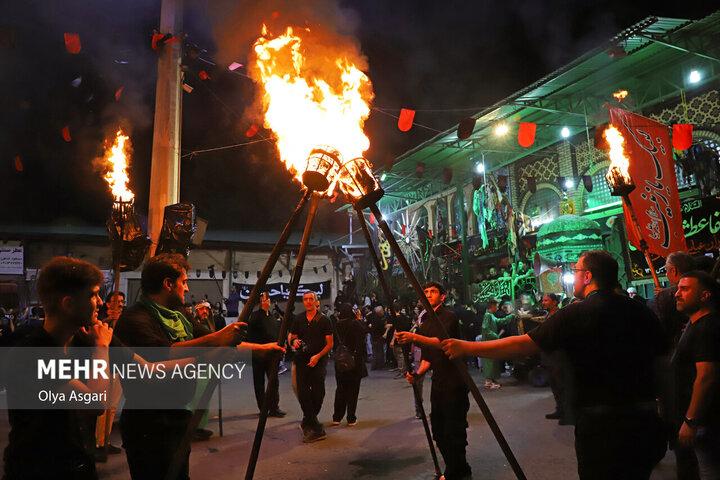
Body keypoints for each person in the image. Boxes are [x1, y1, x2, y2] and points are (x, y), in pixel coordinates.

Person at [442, 250, 668, 480]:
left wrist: (467, 347)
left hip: (602, 428)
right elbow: (663, 365)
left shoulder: (575, 313)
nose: (573, 276)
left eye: (576, 271)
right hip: (644, 423)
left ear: (588, 276)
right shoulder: (642, 312)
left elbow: (521, 345)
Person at [114, 254, 282, 479]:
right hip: (149, 423)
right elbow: (163, 356)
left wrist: (261, 350)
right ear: (168, 283)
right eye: (183, 282)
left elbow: (219, 342)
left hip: (178, 416)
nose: (186, 288)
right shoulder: (135, 319)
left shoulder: (180, 315)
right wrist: (216, 342)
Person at [3, 257, 114, 480]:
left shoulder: (80, 341)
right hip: (41, 471)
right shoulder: (35, 352)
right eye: (93, 294)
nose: (101, 302)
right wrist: (102, 348)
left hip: (76, 464)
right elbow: (94, 405)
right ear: (68, 304)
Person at [397, 282, 471, 480]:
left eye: (433, 292)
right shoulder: (426, 321)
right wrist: (418, 373)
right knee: (438, 431)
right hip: (439, 381)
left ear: (442, 296)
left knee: (454, 431)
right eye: (426, 292)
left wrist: (413, 337)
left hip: (456, 381)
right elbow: (428, 356)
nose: (428, 294)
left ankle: (459, 472)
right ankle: (455, 469)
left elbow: (441, 343)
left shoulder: (448, 317)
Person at [672, 271, 720, 479]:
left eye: (685, 289)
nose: (677, 294)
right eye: (678, 288)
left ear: (704, 296)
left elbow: (706, 376)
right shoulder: (696, 324)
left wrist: (691, 421)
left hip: (707, 423)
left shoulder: (707, 327)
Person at [288, 291, 333, 443]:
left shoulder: (324, 320)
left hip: (319, 361)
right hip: (302, 359)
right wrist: (294, 343)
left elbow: (330, 344)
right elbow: (292, 337)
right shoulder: (298, 319)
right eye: (305, 299)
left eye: (310, 299)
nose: (308, 301)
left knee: (318, 393)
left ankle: (308, 421)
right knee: (303, 392)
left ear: (315, 301)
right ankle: (315, 425)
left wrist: (318, 356)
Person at [247, 292, 285, 417]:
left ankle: (274, 407)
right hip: (258, 354)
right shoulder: (255, 316)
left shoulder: (272, 317)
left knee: (273, 382)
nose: (268, 301)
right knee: (259, 382)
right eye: (265, 299)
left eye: (268, 298)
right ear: (260, 302)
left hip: (271, 355)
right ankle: (263, 408)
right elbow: (250, 335)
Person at [332, 303, 367, 426]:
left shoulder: (336, 325)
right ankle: (351, 418)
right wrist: (358, 319)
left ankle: (337, 417)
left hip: (340, 361)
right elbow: (363, 335)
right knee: (353, 390)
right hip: (354, 361)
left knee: (340, 389)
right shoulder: (355, 324)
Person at [652, 251, 694, 346]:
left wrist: (664, 294)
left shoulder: (665, 295)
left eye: (667, 270)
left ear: (673, 270)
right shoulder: (705, 289)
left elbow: (657, 328)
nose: (666, 275)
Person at [539, 293, 568, 423]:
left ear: (555, 302)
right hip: (549, 356)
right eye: (543, 300)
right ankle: (560, 410)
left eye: (546, 300)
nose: (543, 302)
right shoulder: (548, 315)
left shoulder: (559, 315)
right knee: (555, 386)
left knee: (561, 386)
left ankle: (567, 414)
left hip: (557, 356)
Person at [479, 299, 516, 389]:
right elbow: (485, 328)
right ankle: (488, 382)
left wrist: (510, 317)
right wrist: (495, 336)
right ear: (492, 306)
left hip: (491, 342)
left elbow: (500, 321)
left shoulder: (491, 315)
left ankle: (492, 380)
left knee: (493, 362)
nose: (498, 307)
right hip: (489, 342)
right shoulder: (488, 316)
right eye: (497, 305)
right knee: (490, 362)